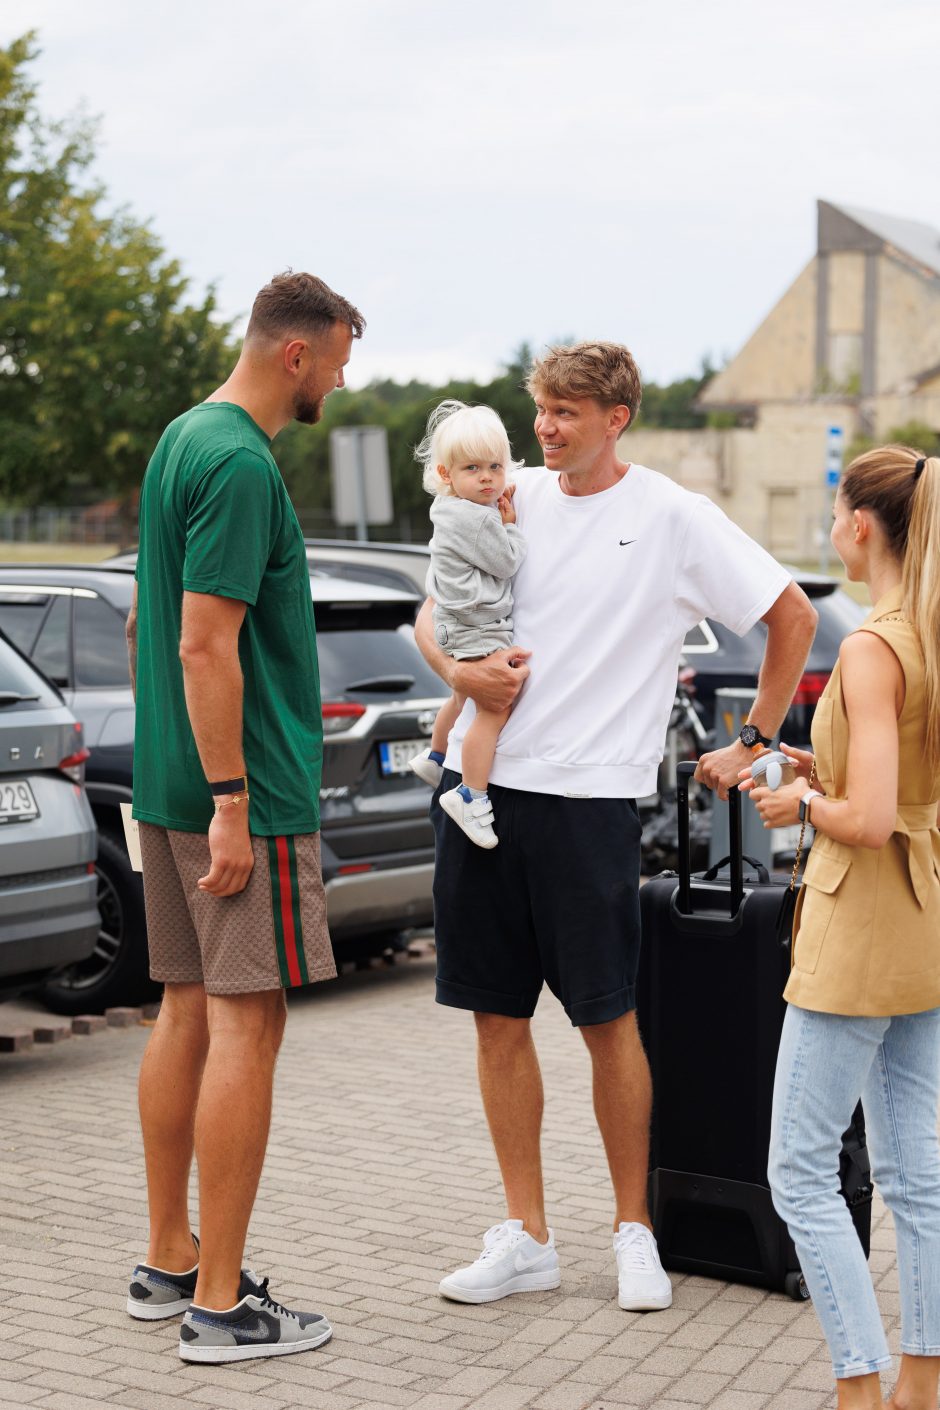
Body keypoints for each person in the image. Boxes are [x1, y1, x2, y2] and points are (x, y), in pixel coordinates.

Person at [414, 341, 817, 1311]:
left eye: (564, 413)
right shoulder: (505, 492)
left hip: (591, 805)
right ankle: (527, 1237)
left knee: (607, 1022)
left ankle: (633, 1229)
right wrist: (456, 674)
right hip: (478, 800)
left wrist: (756, 737)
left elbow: (790, 615)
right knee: (495, 1019)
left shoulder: (673, 517)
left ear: (616, 417)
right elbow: (432, 615)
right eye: (540, 410)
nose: (543, 430)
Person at [125, 271, 364, 1364]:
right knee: (245, 1027)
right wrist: (232, 802)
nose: (341, 386)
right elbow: (201, 641)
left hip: (172, 785)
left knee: (183, 1010)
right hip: (240, 798)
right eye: (342, 363)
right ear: (297, 355)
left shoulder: (181, 436)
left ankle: (170, 1256)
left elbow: (157, 616)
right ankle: (219, 1306)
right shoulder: (239, 464)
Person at [744, 446, 940, 1410]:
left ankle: (859, 1389)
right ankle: (920, 1384)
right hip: (924, 916)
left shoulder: (870, 646)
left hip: (858, 922)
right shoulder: (931, 637)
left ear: (864, 524)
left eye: (835, 511)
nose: (831, 528)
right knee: (919, 1176)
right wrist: (813, 771)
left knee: (797, 1172)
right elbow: (898, 795)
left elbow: (864, 820)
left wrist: (797, 808)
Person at [409, 400, 527, 848]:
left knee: (460, 695)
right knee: (492, 710)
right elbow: (508, 559)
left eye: (495, 466)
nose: (487, 478)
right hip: (476, 624)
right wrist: (510, 526)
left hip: (455, 621)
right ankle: (470, 795)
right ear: (445, 474)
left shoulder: (448, 511)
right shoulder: (476, 519)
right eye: (472, 467)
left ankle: (436, 755)